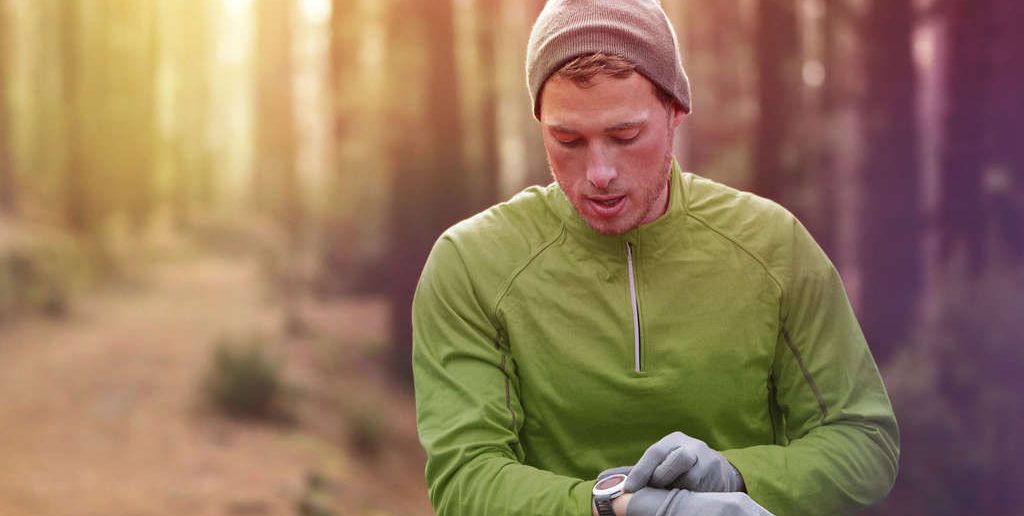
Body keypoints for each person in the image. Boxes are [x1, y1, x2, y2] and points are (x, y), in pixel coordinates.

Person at [411, 0, 899, 514]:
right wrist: (611, 508)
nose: (599, 173)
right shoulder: (471, 263)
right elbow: (463, 480)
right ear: (539, 122)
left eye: (625, 136)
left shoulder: (772, 245)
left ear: (675, 113)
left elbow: (865, 442)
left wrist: (735, 477)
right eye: (567, 139)